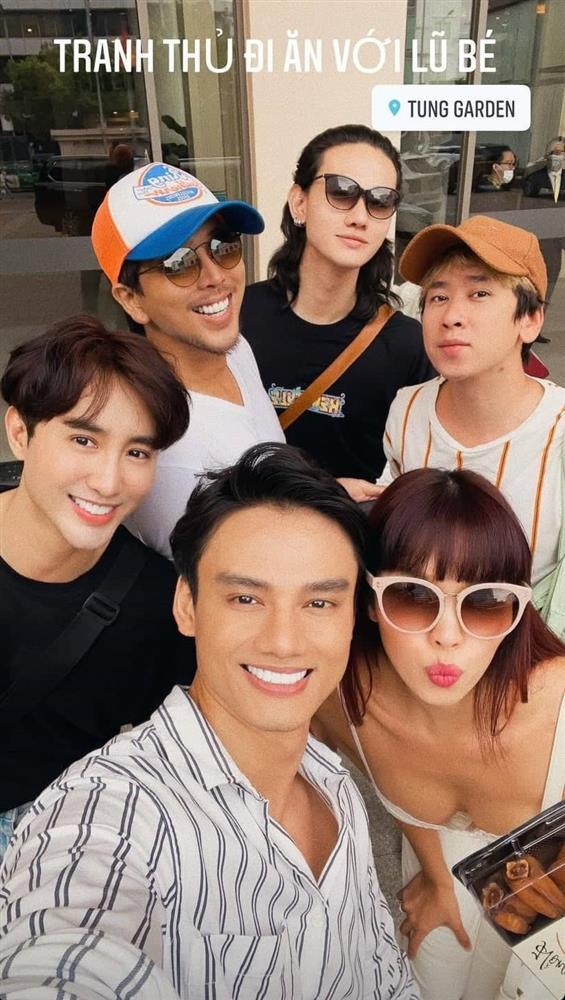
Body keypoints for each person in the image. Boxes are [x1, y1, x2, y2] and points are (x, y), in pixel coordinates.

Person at [0, 443, 420, 1000]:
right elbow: (62, 953)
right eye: (245, 598)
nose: (283, 642)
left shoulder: (334, 782)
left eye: (319, 603)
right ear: (187, 605)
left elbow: (381, 973)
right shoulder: (109, 812)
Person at [314, 467, 565, 1000]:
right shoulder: (342, 700)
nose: (447, 637)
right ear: (369, 599)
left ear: (519, 607)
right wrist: (435, 873)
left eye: (485, 600)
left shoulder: (558, 704)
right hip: (438, 883)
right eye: (412, 595)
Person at [0, 315, 196, 862]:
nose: (108, 483)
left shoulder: (157, 607)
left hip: (47, 848)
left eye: (137, 453)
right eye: (84, 439)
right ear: (21, 433)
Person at [92, 161, 284, 557]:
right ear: (132, 300)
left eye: (223, 245)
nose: (215, 276)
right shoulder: (163, 448)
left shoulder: (235, 348)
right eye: (178, 263)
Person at [241, 124, 434, 501]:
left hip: (351, 532)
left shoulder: (408, 345)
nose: (360, 216)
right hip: (247, 522)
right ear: (299, 203)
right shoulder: (239, 318)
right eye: (341, 191)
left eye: (380, 201)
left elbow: (424, 473)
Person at [378, 215, 565, 595]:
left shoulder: (558, 431)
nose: (451, 317)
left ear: (530, 319)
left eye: (479, 294)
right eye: (438, 297)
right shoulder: (407, 409)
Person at [523, 137, 565, 306]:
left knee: (552, 279)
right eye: (553, 152)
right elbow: (526, 208)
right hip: (540, 239)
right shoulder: (534, 178)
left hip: (559, 239)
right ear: (547, 155)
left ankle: (541, 316)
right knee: (535, 284)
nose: (557, 156)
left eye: (561, 152)